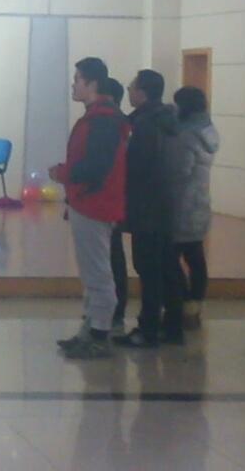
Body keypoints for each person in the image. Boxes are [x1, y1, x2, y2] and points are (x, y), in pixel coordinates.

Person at [50, 58, 130, 360]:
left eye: (78, 79)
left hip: (95, 203)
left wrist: (64, 173)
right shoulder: (97, 117)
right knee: (91, 271)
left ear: (92, 83)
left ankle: (99, 335)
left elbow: (97, 167)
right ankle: (90, 329)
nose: (73, 85)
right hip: (87, 202)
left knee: (98, 272)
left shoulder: (104, 120)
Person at [114, 69, 183, 349]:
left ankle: (148, 328)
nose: (128, 90)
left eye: (132, 87)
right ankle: (173, 326)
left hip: (146, 207)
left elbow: (136, 167)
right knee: (167, 268)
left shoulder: (145, 125)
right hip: (165, 204)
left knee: (149, 269)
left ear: (142, 92)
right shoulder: (167, 120)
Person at [166, 86, 219, 330]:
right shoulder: (208, 131)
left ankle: (181, 304)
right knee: (195, 256)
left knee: (169, 258)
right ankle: (194, 308)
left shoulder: (186, 135)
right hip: (200, 202)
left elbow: (179, 171)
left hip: (180, 204)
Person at [99, 77, 131, 333]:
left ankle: (112, 313)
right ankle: (105, 312)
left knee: (111, 259)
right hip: (107, 201)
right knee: (106, 258)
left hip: (109, 202)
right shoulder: (114, 122)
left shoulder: (114, 124)